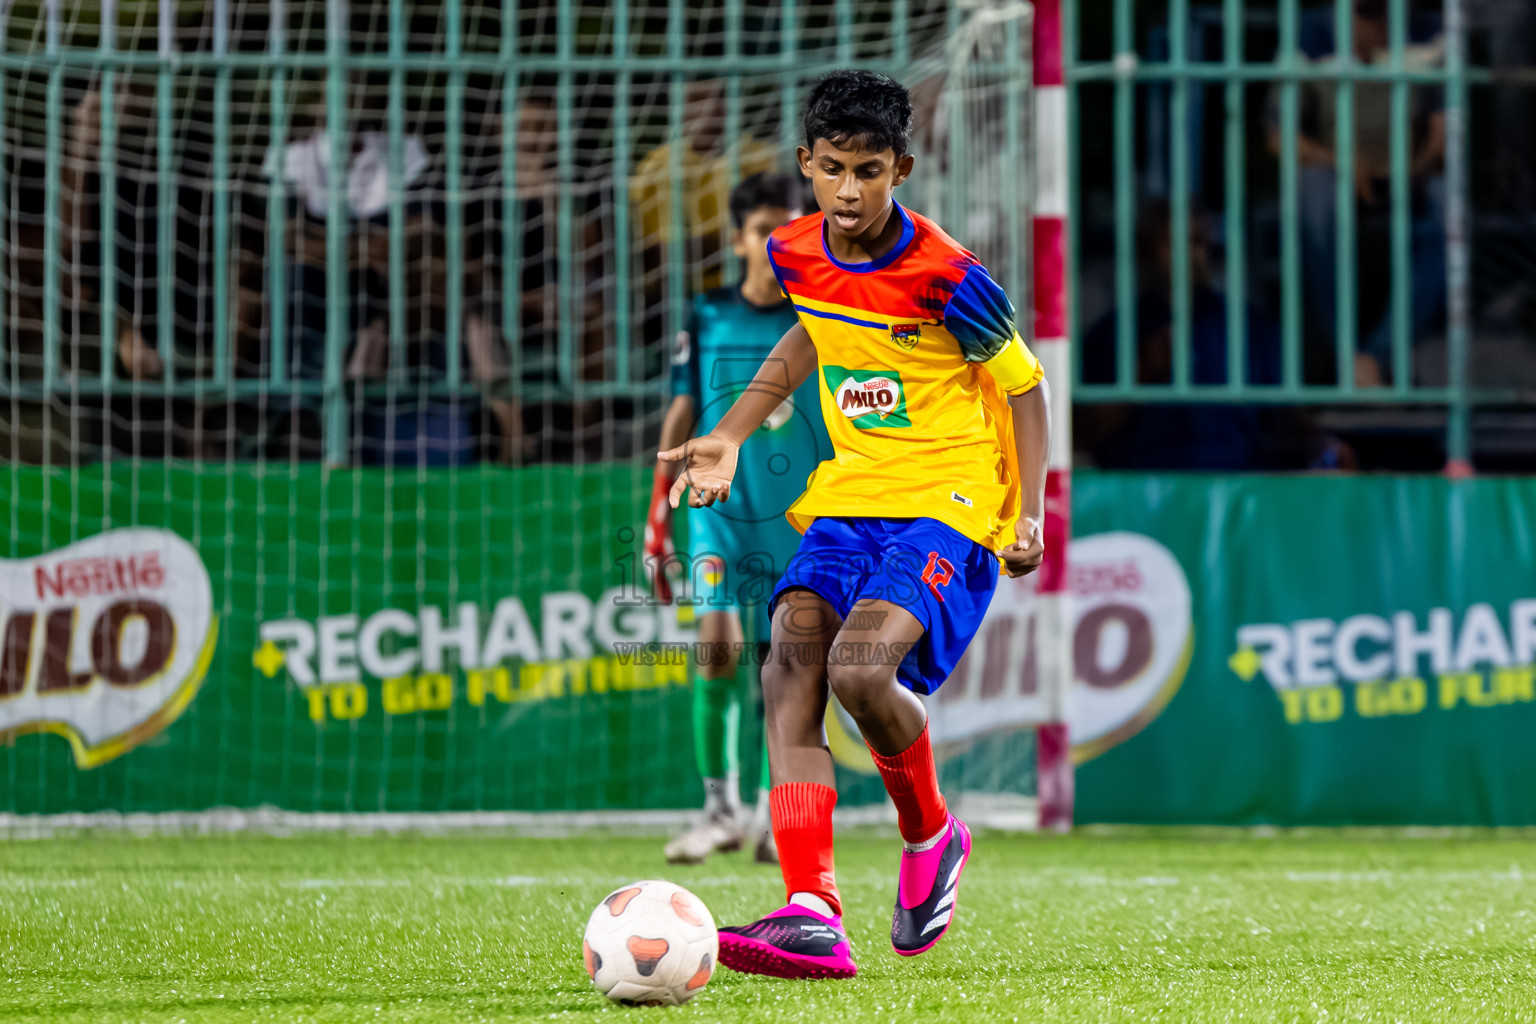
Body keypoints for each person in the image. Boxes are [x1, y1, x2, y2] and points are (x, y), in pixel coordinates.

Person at [659, 70, 1050, 979]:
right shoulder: (798, 251)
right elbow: (810, 339)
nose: (847, 190)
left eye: (867, 171)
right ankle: (810, 907)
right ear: (805, 163)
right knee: (787, 665)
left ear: (900, 168)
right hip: (850, 496)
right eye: (831, 168)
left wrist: (1028, 511)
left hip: (947, 499)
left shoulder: (952, 275)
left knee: (859, 672)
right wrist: (724, 436)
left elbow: (1026, 388)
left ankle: (932, 832)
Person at [647, 173, 830, 867]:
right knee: (718, 648)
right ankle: (718, 808)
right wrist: (654, 511)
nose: (775, 244)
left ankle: (767, 814)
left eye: (789, 230)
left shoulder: (819, 311)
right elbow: (680, 406)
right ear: (738, 239)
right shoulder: (708, 312)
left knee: (783, 664)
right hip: (718, 508)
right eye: (763, 231)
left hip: (797, 513)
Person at [1271, 0, 1447, 386]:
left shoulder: (1429, 31)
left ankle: (1378, 354)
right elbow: (1279, 136)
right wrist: (1341, 161)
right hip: (1337, 176)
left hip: (1409, 175)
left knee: (1447, 201)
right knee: (1313, 192)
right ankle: (1349, 356)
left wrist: (1410, 170)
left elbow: (1443, 135)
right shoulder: (1310, 31)